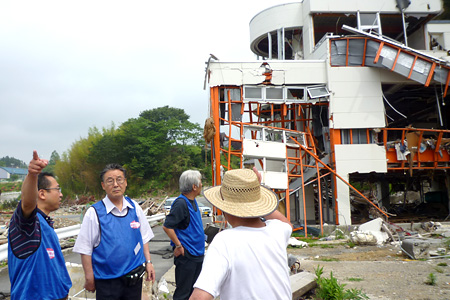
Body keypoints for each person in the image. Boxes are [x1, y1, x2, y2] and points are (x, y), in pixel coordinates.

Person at [190, 168, 293, 300]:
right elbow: (287, 224)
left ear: (224, 208)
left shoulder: (225, 241)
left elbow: (200, 297)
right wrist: (256, 194)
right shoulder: (276, 231)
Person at [73, 163, 155, 300]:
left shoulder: (135, 208)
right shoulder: (94, 213)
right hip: (107, 282)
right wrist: (89, 277)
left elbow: (144, 237)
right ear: (103, 185)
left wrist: (149, 262)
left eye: (119, 179)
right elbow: (85, 248)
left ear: (126, 182)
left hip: (133, 279)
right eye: (110, 181)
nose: (116, 184)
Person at [8, 150, 72, 300]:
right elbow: (28, 202)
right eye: (58, 189)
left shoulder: (45, 223)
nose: (61, 194)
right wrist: (32, 175)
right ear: (42, 194)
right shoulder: (27, 224)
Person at [163, 170, 205, 300]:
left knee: (193, 291)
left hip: (196, 254)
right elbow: (167, 226)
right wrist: (178, 245)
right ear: (194, 186)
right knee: (183, 293)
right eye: (200, 182)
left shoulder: (193, 201)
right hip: (187, 255)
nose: (202, 185)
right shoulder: (181, 203)